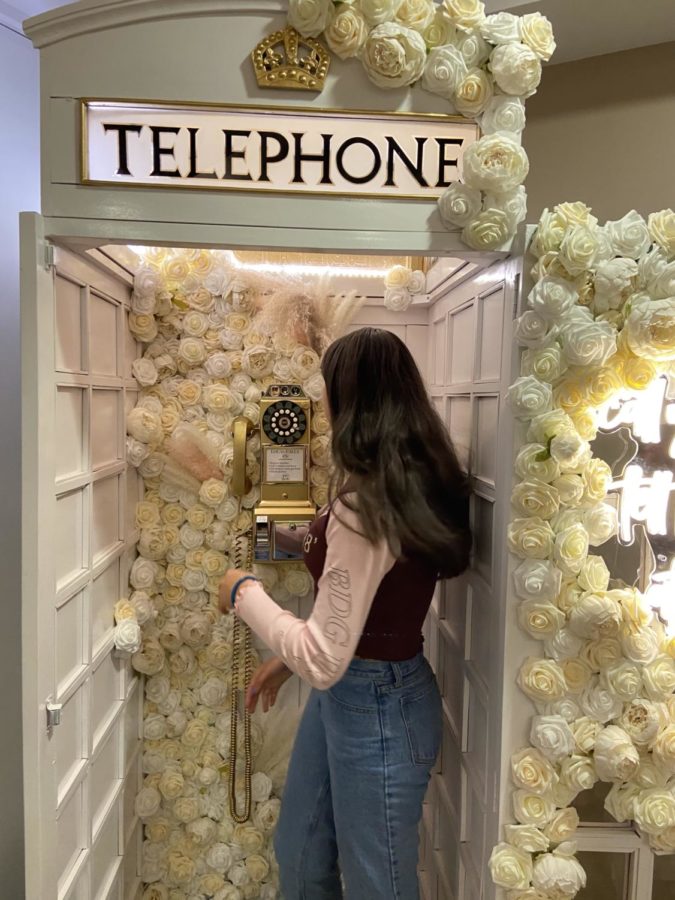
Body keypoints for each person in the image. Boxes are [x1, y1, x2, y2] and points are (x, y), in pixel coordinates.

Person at [219, 327, 472, 900]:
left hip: (376, 705)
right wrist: (290, 654)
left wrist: (242, 592)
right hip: (360, 692)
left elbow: (327, 654)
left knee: (375, 886)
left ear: (351, 400)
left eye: (327, 391)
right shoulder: (398, 483)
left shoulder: (368, 504)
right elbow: (345, 578)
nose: (323, 407)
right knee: (301, 853)